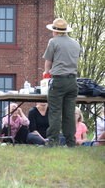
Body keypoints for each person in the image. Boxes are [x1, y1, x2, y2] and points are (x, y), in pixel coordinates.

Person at [43, 18, 81, 147]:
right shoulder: (76, 43)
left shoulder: (53, 42)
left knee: (55, 111)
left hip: (59, 80)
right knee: (69, 113)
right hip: (73, 81)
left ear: (55, 31)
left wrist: (46, 72)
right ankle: (71, 142)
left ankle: (53, 141)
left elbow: (48, 60)